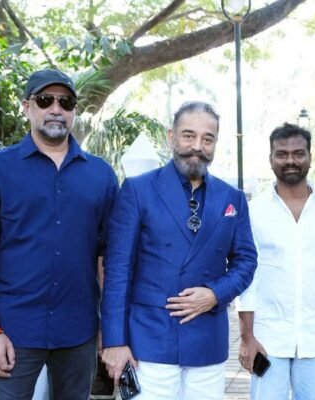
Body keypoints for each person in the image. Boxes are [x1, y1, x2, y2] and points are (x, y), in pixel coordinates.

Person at [100, 100, 258, 399]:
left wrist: (215, 294)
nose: (197, 146)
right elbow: (118, 269)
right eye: (189, 135)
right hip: (150, 340)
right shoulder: (138, 190)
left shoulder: (232, 198)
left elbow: (246, 261)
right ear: (171, 137)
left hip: (207, 341)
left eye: (207, 139)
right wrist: (115, 341)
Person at [0, 68, 118, 399]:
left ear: (74, 111)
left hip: (78, 331)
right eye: (45, 100)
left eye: (66, 102)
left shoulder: (100, 175)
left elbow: (109, 258)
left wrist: (110, 329)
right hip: (12, 330)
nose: (56, 109)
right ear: (27, 107)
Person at [236, 123, 315, 399]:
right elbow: (248, 277)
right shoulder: (254, 211)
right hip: (267, 337)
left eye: (298, 153)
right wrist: (246, 337)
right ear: (271, 159)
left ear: (310, 157)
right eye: (282, 154)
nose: (290, 160)